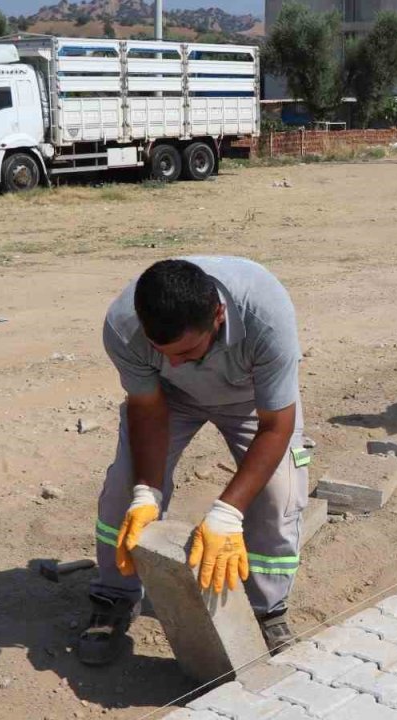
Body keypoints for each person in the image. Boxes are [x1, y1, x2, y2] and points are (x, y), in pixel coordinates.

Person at [77, 256, 309, 665]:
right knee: (123, 492)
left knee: (278, 495)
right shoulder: (123, 324)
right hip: (171, 401)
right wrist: (146, 492)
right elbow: (146, 407)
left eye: (186, 351)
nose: (176, 362)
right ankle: (114, 597)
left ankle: (265, 610)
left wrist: (227, 512)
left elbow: (276, 425)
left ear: (218, 316)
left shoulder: (266, 315)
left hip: (249, 400)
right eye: (163, 352)